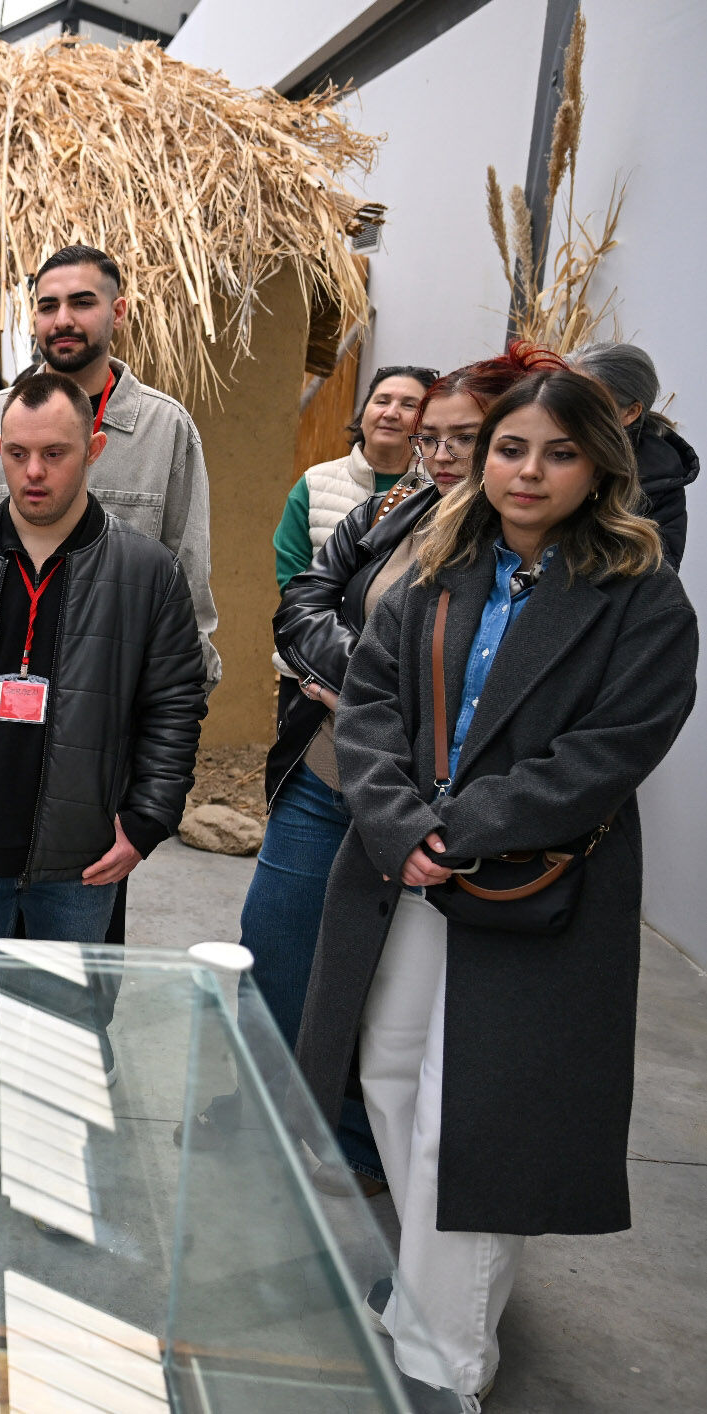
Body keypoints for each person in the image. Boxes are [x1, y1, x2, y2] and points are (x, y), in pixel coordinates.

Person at [296, 369, 696, 1404]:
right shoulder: (442, 560)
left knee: (475, 1123)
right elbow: (372, 701)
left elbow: (610, 750)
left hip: (530, 892)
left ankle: (444, 1362)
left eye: (559, 453)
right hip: (405, 874)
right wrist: (398, 822)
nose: (529, 470)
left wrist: (453, 829)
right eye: (512, 448)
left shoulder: (641, 592)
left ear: (599, 464)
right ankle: (432, 1296)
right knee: (385, 1076)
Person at [211, 350, 551, 1188]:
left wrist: (369, 692)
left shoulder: (523, 550)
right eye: (430, 437)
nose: (438, 454)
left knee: (382, 982)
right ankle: (263, 1106)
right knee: (275, 946)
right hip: (326, 773)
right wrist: (366, 677)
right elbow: (301, 601)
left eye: (462, 438)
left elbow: (479, 682)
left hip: (414, 801)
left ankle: (359, 1145)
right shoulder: (391, 509)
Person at [0, 373, 205, 1003]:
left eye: (55, 454)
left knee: (69, 1033)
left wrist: (146, 821)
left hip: (82, 858)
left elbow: (174, 707)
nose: (34, 473)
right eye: (18, 454)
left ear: (95, 449)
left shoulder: (147, 572)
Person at [0, 246, 220, 685]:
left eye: (82, 302)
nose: (62, 320)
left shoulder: (165, 429)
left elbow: (187, 575)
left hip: (109, 689)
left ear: (118, 312)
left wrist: (188, 696)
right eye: (47, 306)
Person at [272, 365, 437, 590]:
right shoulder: (314, 484)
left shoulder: (439, 492)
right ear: (363, 415)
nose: (390, 413)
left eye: (409, 405)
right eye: (381, 401)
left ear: (426, 424)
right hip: (320, 623)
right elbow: (293, 581)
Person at [570, 340, 694, 565]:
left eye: (589, 402)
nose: (570, 409)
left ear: (631, 412)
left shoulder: (658, 480)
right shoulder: (542, 444)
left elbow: (654, 577)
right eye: (568, 392)